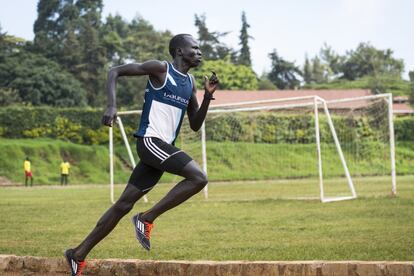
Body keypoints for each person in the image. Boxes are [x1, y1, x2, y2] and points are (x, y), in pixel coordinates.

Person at [64, 33, 219, 276]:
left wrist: (208, 97)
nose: (199, 52)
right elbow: (114, 71)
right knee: (199, 178)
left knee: (122, 205)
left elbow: (195, 124)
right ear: (179, 51)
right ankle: (146, 218)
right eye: (195, 48)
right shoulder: (160, 69)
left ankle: (77, 254)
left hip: (160, 150)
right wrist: (112, 106)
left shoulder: (190, 84)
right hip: (149, 142)